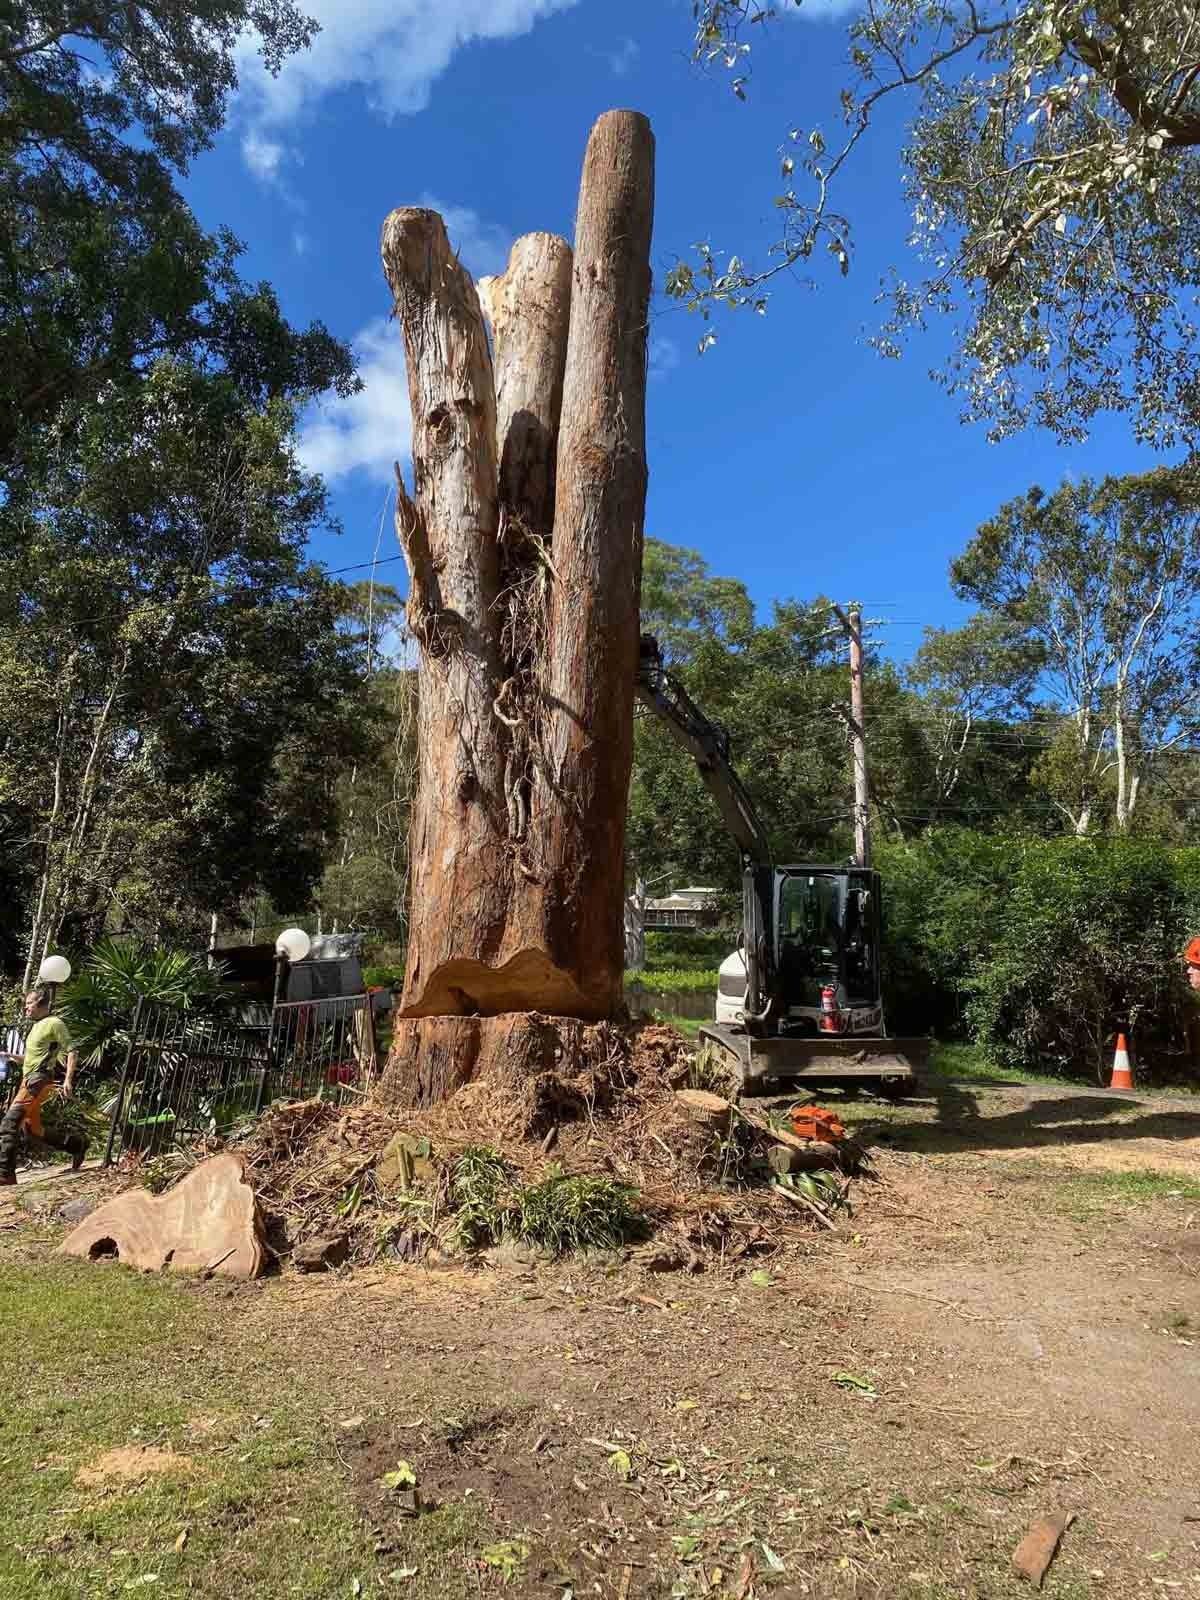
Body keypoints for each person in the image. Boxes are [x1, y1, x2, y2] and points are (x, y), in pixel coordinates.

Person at [0, 987, 86, 1186]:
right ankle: (77, 1145)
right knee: (33, 1129)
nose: (26, 1008)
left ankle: (5, 1174)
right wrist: (11, 1056)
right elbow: (30, 1058)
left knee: (9, 1123)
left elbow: (72, 1051)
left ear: (40, 1002)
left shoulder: (54, 1023)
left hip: (38, 1080)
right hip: (29, 1078)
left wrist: (68, 1080)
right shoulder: (35, 1027)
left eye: (29, 1003)